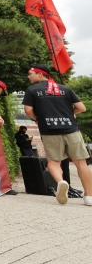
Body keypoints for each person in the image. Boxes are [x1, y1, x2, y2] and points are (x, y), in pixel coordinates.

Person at [22, 63, 92, 206]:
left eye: (30, 73)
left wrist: (37, 119)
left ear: (40, 74)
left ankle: (61, 182)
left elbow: (28, 110)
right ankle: (89, 197)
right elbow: (81, 107)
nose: (29, 76)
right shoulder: (65, 89)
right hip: (71, 130)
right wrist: (71, 114)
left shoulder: (32, 90)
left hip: (49, 131)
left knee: (53, 162)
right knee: (81, 163)